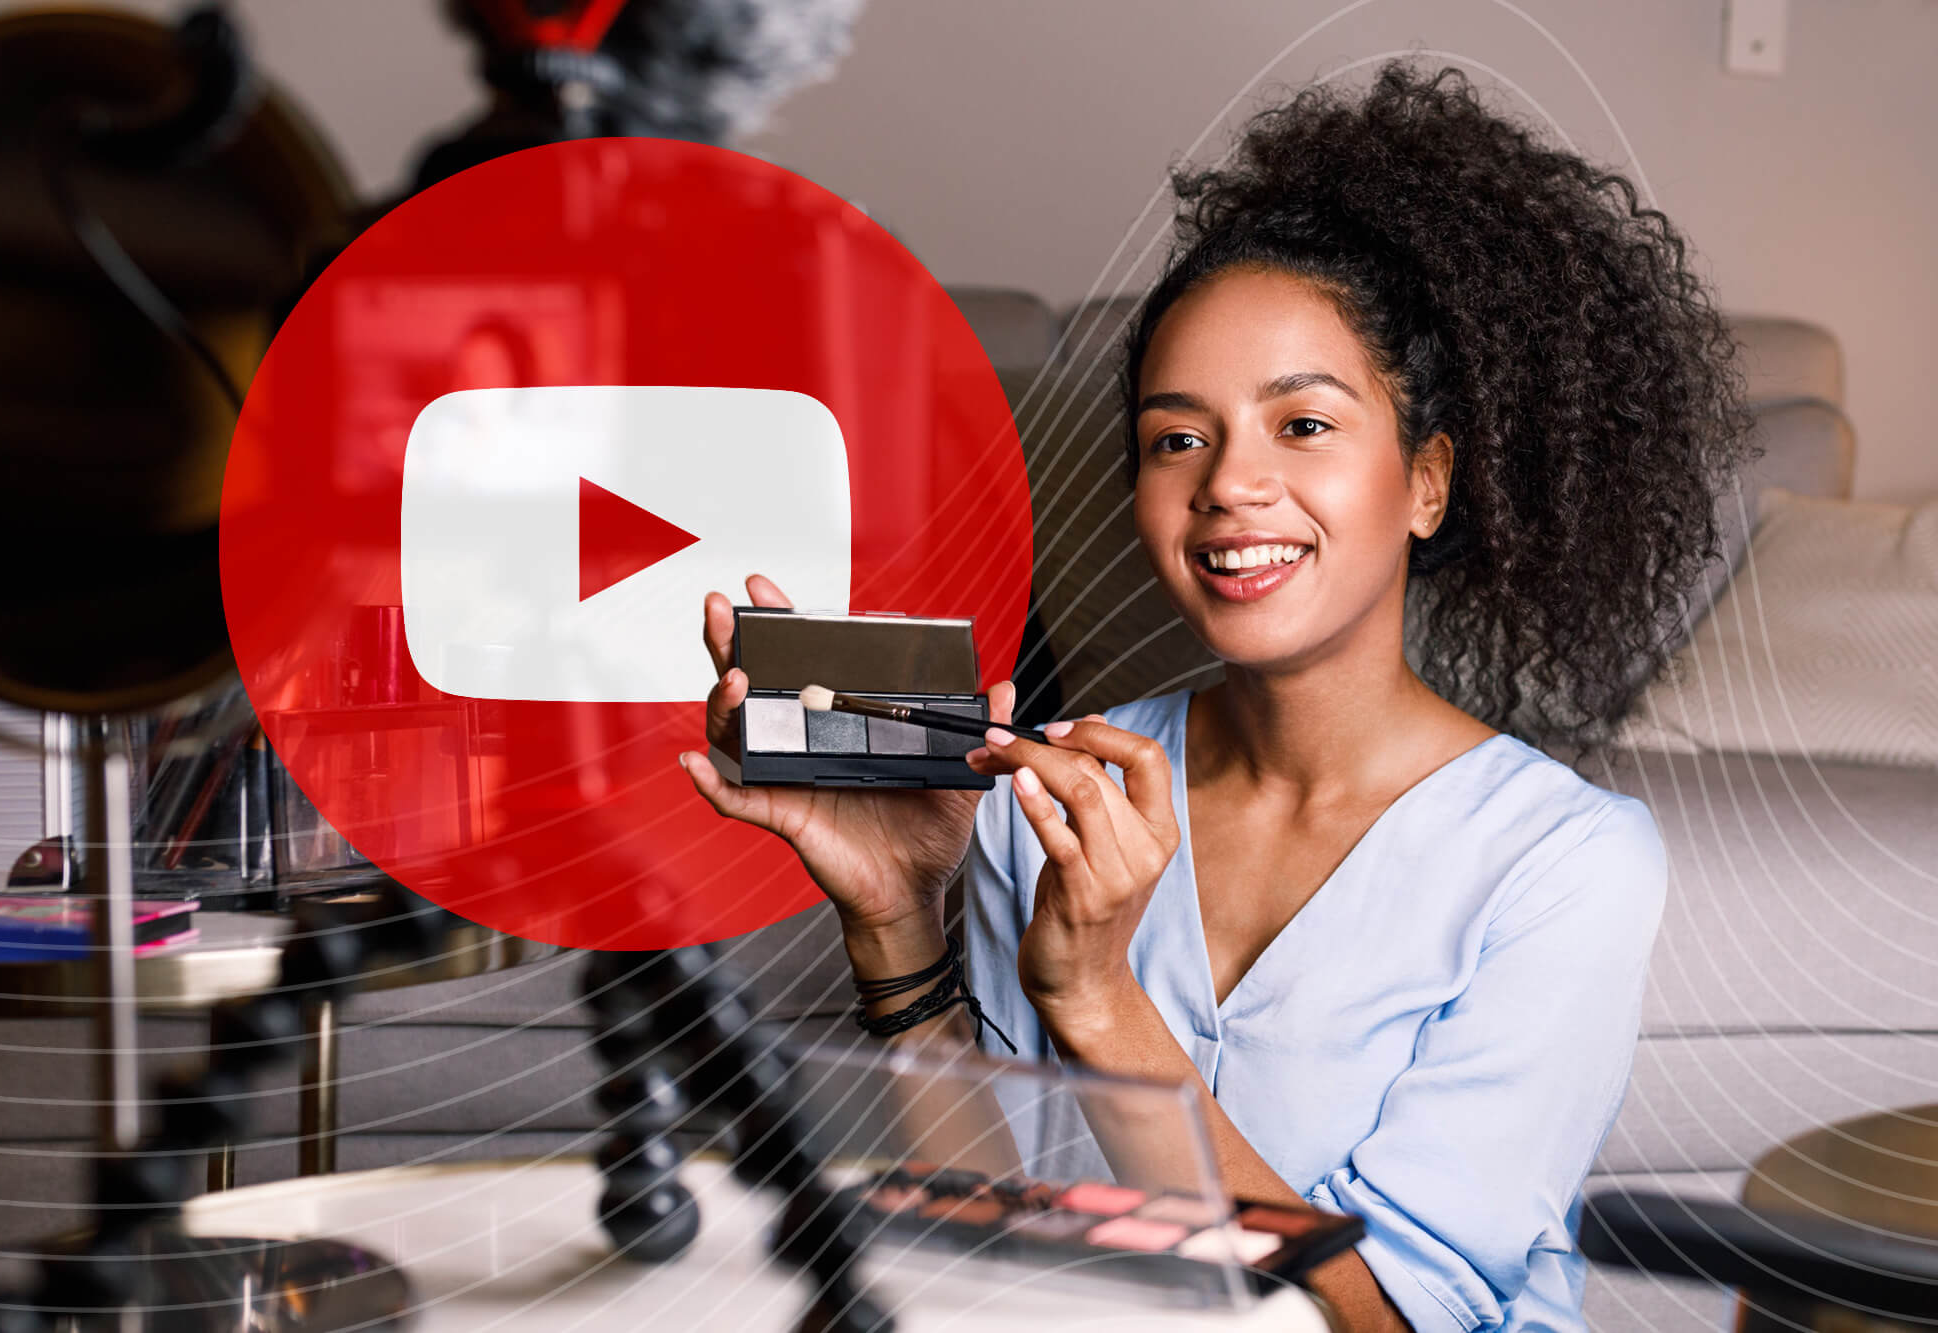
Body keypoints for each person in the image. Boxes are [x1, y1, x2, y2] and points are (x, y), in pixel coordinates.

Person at [681, 61, 1752, 1333]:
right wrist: (898, 921)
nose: (1229, 485)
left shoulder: (1563, 864)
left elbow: (1385, 1318)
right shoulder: (1052, 795)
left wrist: (1102, 1002)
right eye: (1176, 438)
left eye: (1301, 425)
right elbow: (998, 1241)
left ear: (1424, 480)